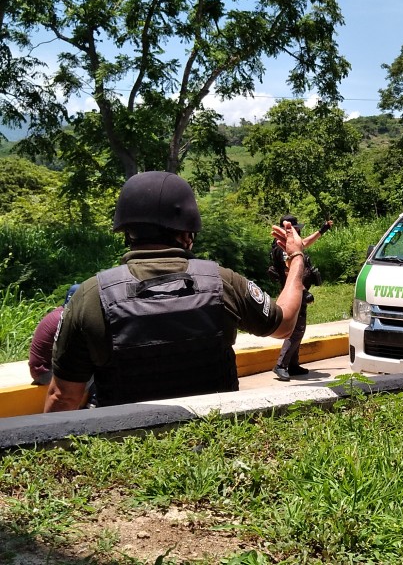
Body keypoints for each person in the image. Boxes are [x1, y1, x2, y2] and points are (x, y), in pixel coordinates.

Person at [43, 171, 306, 412]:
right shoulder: (223, 281)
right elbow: (283, 325)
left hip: (125, 451)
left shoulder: (90, 295)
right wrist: (295, 258)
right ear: (187, 232)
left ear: (127, 231)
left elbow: (63, 396)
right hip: (214, 446)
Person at [270, 214, 333, 381]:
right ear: (291, 230)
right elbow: (290, 271)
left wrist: (322, 230)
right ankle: (281, 365)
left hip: (295, 292)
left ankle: (292, 364)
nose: (299, 232)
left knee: (298, 328)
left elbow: (304, 243)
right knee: (296, 330)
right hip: (294, 293)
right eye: (297, 229)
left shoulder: (288, 245)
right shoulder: (283, 250)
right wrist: (304, 292)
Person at [28, 284, 79, 385]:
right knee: (94, 374)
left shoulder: (60, 312)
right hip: (44, 373)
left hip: (40, 369)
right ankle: (94, 401)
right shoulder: (64, 319)